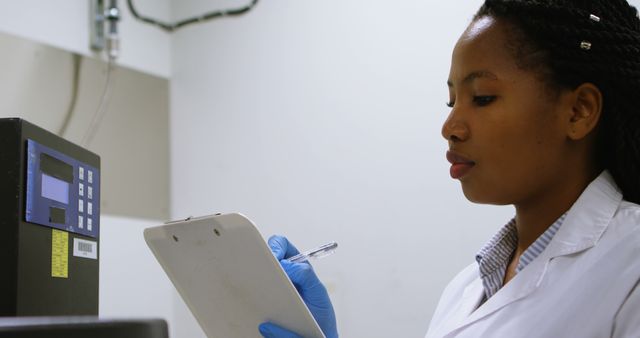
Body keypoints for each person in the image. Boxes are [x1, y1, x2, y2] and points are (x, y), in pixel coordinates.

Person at [259, 0, 640, 336]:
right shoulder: (466, 288)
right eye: (451, 102)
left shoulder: (630, 266)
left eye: (483, 98)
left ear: (579, 111)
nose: (450, 128)